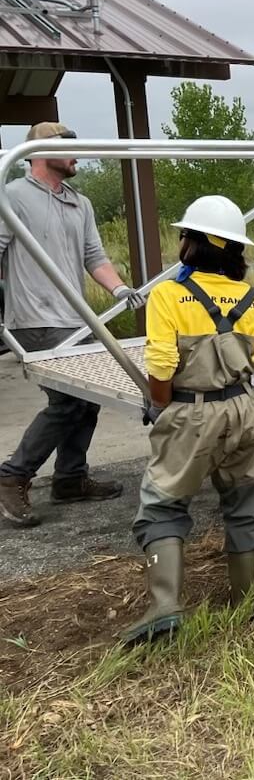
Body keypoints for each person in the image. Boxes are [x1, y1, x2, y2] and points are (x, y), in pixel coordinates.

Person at [121, 196, 254, 644]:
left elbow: (160, 367)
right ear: (234, 250)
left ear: (192, 244)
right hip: (244, 408)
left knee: (163, 505)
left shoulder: (168, 295)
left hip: (191, 411)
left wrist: (159, 405)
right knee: (244, 500)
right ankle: (248, 595)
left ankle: (165, 604)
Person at [0, 122, 147, 529]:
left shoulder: (79, 203)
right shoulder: (10, 197)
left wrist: (119, 290)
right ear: (40, 152)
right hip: (34, 318)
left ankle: (69, 478)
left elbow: (94, 257)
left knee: (86, 398)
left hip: (75, 319)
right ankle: (13, 475)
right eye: (70, 147)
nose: (78, 154)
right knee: (68, 401)